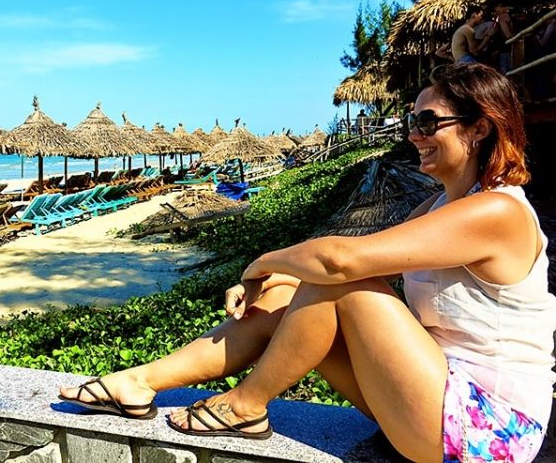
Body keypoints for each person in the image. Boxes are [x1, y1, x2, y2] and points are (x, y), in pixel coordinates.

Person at [59, 64, 554, 462]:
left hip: (488, 433)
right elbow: (353, 256)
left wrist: (260, 262)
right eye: (411, 122)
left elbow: (341, 263)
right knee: (283, 294)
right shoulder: (439, 205)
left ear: (481, 127)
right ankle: (138, 382)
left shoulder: (498, 211)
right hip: (435, 396)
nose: (413, 135)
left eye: (428, 122)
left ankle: (246, 405)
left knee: (336, 284)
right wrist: (276, 277)